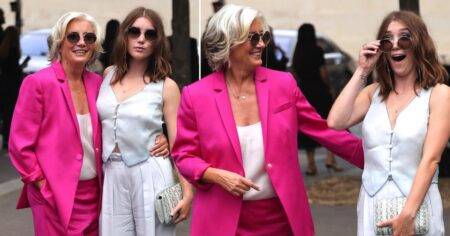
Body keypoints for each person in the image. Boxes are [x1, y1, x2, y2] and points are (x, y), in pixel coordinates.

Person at [172, 5, 364, 236]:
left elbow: (323, 131)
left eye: (264, 37)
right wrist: (215, 174)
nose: (262, 44)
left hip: (282, 220)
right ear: (228, 42)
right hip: (222, 222)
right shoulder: (196, 95)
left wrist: (379, 156)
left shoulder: (283, 85)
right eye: (253, 38)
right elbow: (184, 155)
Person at [327, 11, 449, 235]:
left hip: (417, 207)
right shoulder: (372, 93)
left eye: (404, 38)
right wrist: (363, 69)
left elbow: (431, 160)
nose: (395, 45)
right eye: (387, 40)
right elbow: (335, 121)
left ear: (419, 44)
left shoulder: (439, 95)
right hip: (372, 205)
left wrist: (408, 214)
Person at [97, 7, 193, 235]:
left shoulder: (166, 86)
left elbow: (180, 143)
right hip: (112, 172)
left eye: (149, 34)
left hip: (150, 171)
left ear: (158, 41)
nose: (141, 39)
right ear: (124, 36)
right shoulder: (108, 74)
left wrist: (188, 193)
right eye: (134, 32)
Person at [8, 12, 104, 235]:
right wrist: (41, 183)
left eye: (89, 38)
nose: (81, 42)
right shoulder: (38, 83)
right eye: (73, 37)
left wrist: (159, 140)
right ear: (60, 42)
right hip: (53, 193)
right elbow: (19, 144)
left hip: (94, 195)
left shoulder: (98, 84)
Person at [291, 23, 342, 175]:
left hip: (305, 93)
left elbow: (294, 73)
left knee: (308, 126)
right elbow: (323, 73)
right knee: (329, 123)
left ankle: (311, 165)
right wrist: (330, 87)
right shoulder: (317, 50)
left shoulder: (297, 53)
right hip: (320, 91)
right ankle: (330, 158)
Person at [0, 26, 23, 149]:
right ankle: (7, 138)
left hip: (6, 83)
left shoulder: (5, 49)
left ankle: (6, 138)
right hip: (11, 84)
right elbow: (13, 68)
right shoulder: (12, 49)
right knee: (10, 112)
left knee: (7, 112)